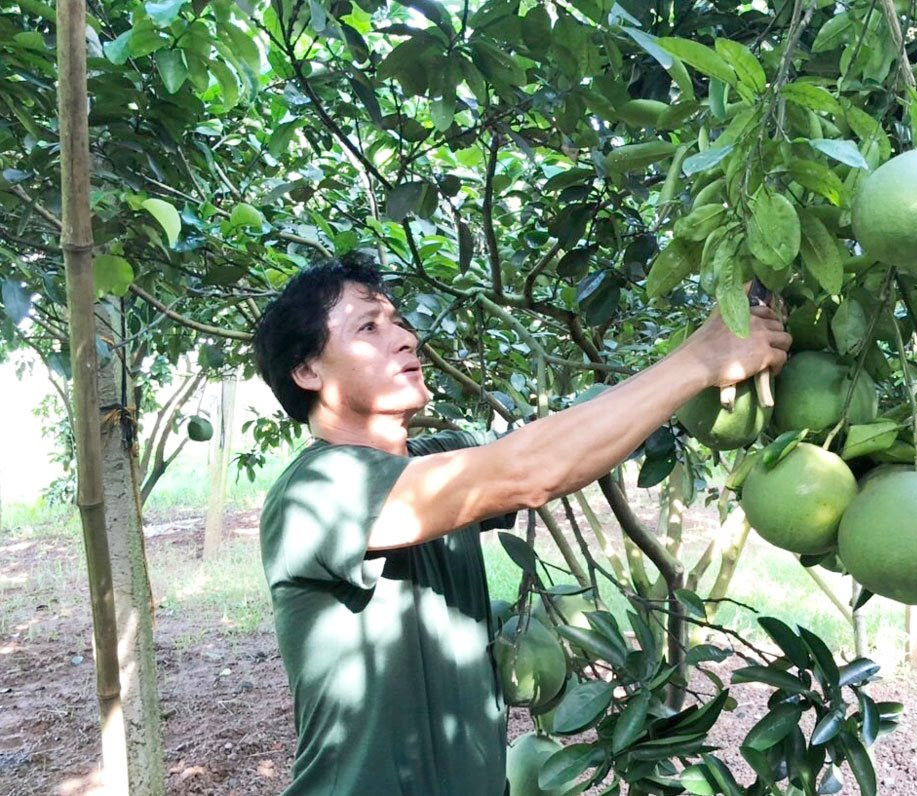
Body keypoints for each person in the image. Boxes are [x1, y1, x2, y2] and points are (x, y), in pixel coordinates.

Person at [251, 253, 790, 795]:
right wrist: (700, 357)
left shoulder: (437, 461)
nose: (406, 338)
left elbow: (562, 445)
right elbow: (528, 471)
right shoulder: (318, 490)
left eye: (398, 321)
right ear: (307, 370)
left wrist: (733, 330)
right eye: (368, 326)